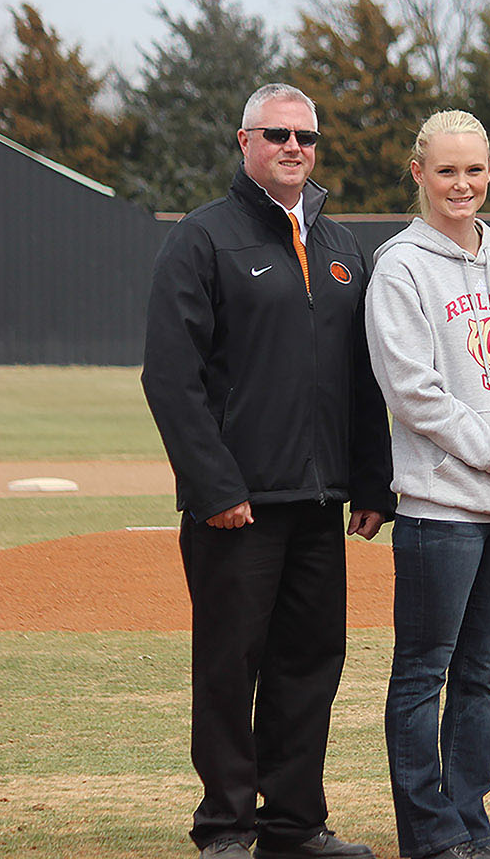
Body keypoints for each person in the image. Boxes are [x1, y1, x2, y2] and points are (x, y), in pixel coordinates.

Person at [142, 83, 395, 859]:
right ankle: (225, 825)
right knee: (229, 667)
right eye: (277, 134)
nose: (294, 148)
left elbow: (364, 375)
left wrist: (371, 480)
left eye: (307, 137)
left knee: (310, 665)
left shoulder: (343, 248)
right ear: (244, 141)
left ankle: (293, 823)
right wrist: (215, 487)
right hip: (238, 506)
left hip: (320, 502)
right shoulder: (202, 239)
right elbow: (171, 379)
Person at [364, 110, 490, 859]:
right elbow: (413, 391)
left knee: (481, 675)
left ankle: (471, 822)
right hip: (442, 507)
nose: (463, 184)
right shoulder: (401, 266)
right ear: (418, 172)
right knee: (425, 673)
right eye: (447, 170)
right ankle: (429, 833)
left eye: (475, 169)